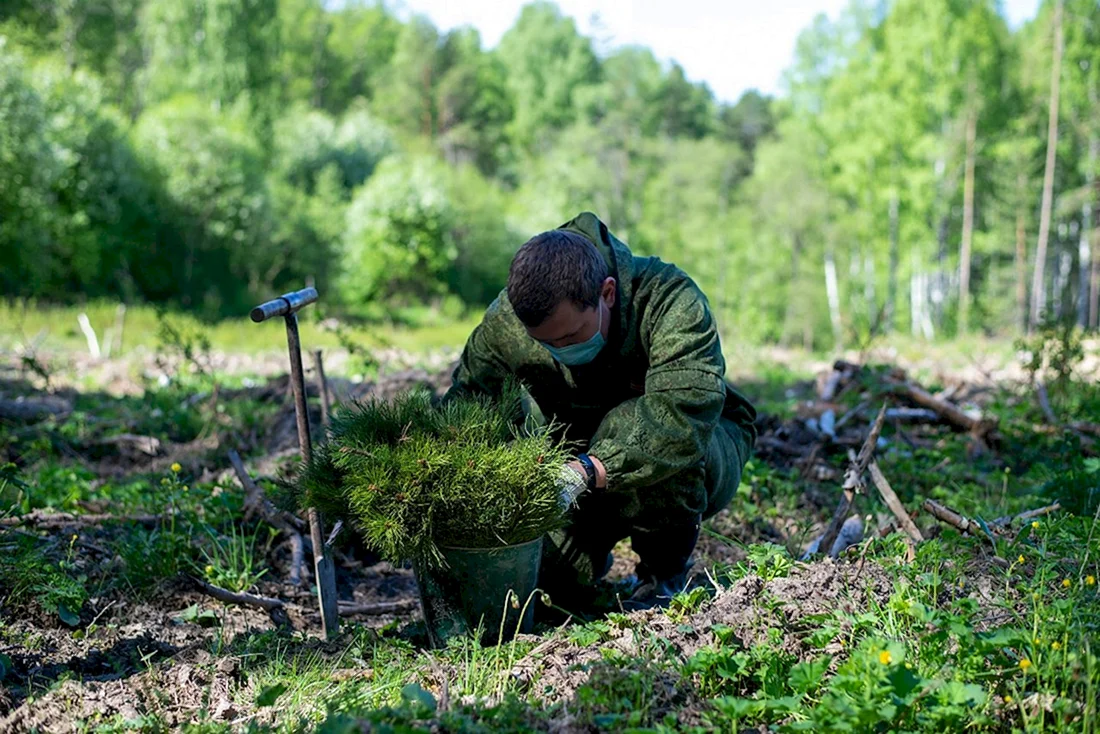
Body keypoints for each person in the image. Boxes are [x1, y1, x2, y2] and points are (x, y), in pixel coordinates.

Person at [444, 212, 756, 610]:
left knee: (644, 428)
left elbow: (684, 413)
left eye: (571, 336)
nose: (561, 348)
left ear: (607, 293)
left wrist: (586, 471)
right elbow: (467, 410)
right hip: (572, 467)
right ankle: (588, 557)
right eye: (546, 343)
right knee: (540, 592)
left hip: (699, 454)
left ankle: (663, 575)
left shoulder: (668, 299)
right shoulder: (505, 324)